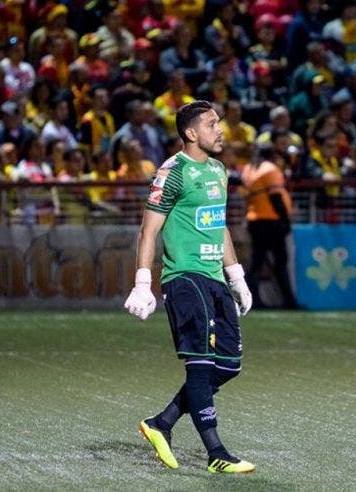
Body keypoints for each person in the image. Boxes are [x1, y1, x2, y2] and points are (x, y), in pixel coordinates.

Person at [127, 100, 255, 475]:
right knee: (199, 363)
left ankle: (160, 423)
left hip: (215, 278)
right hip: (184, 277)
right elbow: (148, 229)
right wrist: (142, 282)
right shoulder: (173, 172)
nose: (220, 130)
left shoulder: (218, 170)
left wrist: (237, 277)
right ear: (191, 133)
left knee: (229, 364)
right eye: (212, 124)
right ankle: (216, 452)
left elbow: (220, 225)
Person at [242, 138, 298, 310]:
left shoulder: (249, 168)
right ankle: (288, 301)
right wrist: (285, 219)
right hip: (271, 221)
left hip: (255, 220)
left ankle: (253, 300)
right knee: (281, 261)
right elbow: (275, 197)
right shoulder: (270, 169)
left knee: (257, 262)